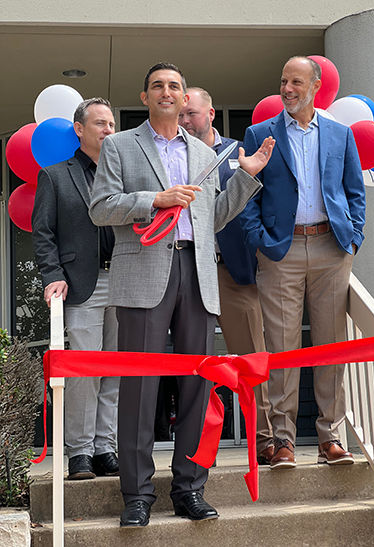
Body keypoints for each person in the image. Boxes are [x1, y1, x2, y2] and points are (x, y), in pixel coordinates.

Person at [89, 62, 274, 527]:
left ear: (185, 96)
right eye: (158, 86)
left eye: (174, 86)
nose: (167, 92)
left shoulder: (201, 150)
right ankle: (137, 495)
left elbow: (212, 218)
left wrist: (246, 176)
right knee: (139, 387)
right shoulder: (118, 145)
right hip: (143, 274)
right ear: (145, 96)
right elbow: (100, 208)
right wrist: (155, 199)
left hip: (197, 272)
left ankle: (190, 487)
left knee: (196, 384)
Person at [240, 56, 366, 469]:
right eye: (283, 81)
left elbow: (353, 192)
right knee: (282, 348)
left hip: (332, 249)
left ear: (316, 86)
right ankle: (282, 441)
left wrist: (354, 237)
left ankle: (331, 437)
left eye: (296, 82)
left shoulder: (340, 134)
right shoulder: (260, 133)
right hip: (281, 252)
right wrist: (262, 242)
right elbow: (248, 196)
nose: (287, 89)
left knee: (331, 345)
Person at [179, 87, 273, 464]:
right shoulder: (175, 157)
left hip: (234, 270)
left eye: (192, 114)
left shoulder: (239, 153)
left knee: (251, 357)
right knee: (194, 360)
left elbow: (262, 202)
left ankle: (264, 438)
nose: (185, 121)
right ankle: (199, 446)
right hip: (189, 271)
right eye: (181, 116)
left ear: (211, 114)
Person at [32, 98, 120, 480]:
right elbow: (44, 232)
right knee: (85, 371)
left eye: (112, 124)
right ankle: (80, 453)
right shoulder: (54, 175)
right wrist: (52, 274)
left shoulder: (124, 174)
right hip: (82, 285)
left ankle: (107, 448)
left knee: (116, 370)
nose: (108, 130)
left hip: (126, 282)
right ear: (79, 130)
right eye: (100, 123)